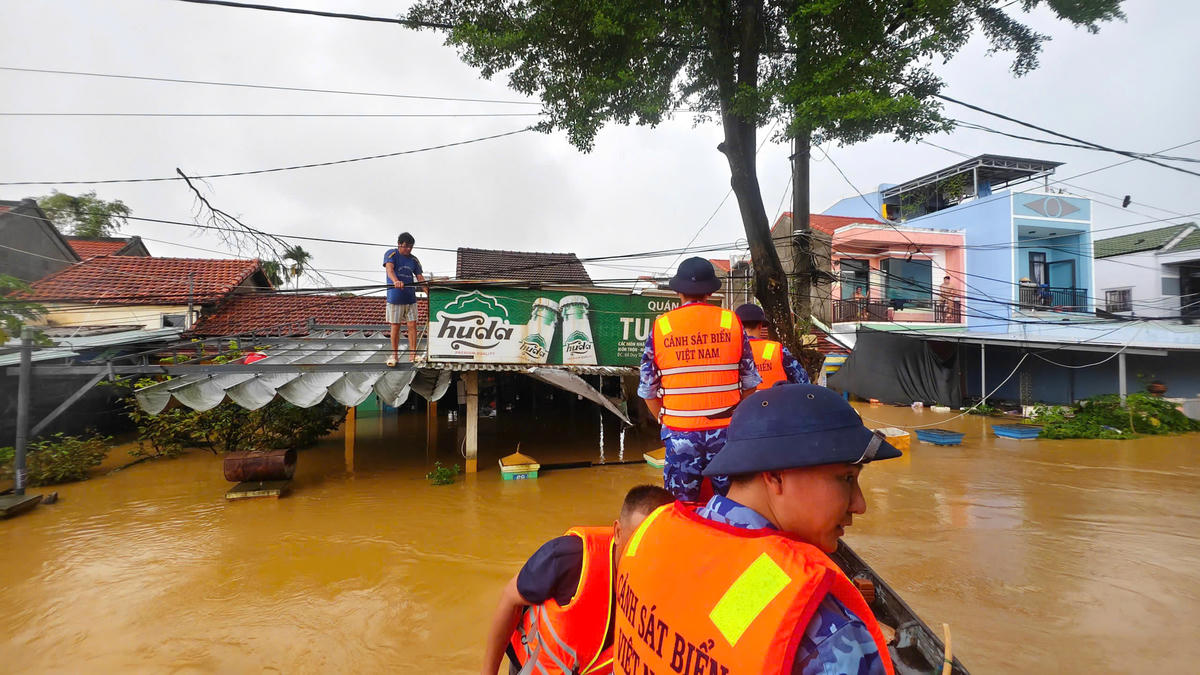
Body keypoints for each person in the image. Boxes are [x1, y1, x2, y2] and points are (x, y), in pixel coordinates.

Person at [614, 384, 902, 675]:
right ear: (776, 476)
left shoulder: (654, 537)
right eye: (846, 479)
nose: (860, 504)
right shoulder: (823, 635)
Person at [482, 485, 674, 675]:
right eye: (636, 543)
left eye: (657, 546)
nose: (645, 557)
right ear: (617, 532)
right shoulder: (568, 559)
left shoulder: (669, 584)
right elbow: (510, 598)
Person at [638, 257, 761, 501]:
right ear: (710, 291)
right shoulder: (731, 321)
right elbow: (750, 383)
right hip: (726, 434)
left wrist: (667, 421)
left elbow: (647, 390)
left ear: (678, 291)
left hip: (680, 434)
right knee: (732, 504)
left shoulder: (662, 327)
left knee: (681, 510)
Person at [734, 303, 809, 388]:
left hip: (743, 401)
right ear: (760, 326)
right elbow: (803, 380)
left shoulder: (731, 351)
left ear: (738, 326)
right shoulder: (776, 349)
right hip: (776, 400)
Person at [383, 232, 426, 366]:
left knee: (413, 326)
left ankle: (413, 355)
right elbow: (389, 270)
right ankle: (394, 355)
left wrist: (429, 293)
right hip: (395, 298)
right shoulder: (392, 254)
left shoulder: (414, 260)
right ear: (399, 244)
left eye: (411, 247)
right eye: (406, 246)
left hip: (410, 298)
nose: (408, 249)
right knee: (395, 326)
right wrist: (396, 281)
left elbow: (420, 278)